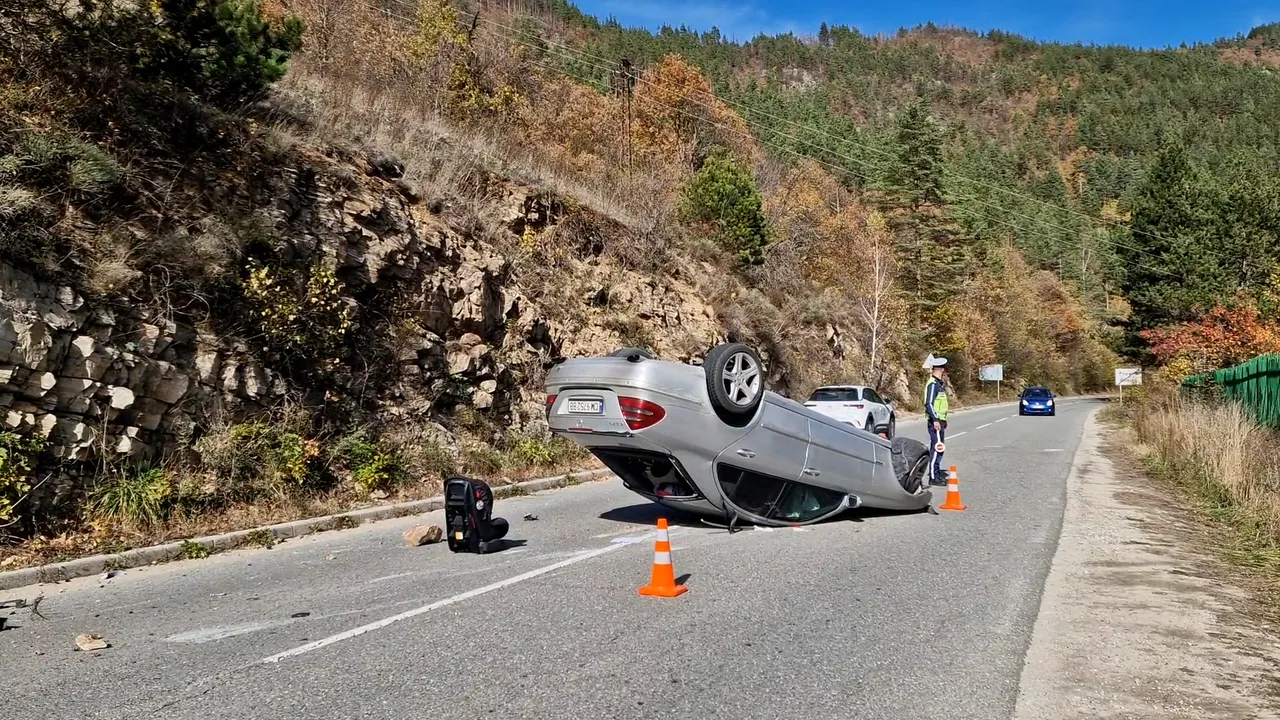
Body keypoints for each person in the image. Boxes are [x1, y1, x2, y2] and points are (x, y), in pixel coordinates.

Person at [923, 356, 950, 486]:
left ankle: (937, 474)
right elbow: (928, 403)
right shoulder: (933, 384)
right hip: (936, 421)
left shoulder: (938, 384)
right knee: (937, 448)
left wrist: (944, 420)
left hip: (940, 421)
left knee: (939, 449)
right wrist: (935, 420)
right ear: (941, 370)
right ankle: (933, 476)